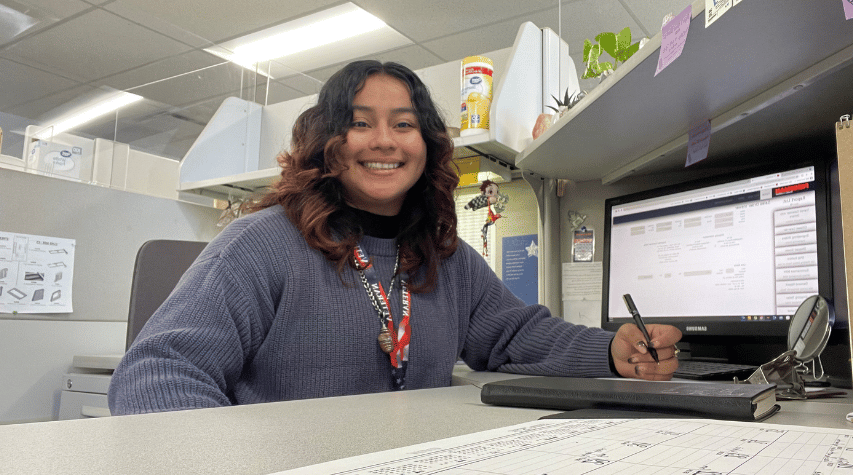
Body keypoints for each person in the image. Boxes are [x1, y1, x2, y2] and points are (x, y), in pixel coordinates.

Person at [108, 60, 681, 415]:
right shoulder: (260, 243)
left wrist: (610, 350)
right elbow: (160, 372)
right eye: (359, 123)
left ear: (426, 145)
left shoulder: (442, 256)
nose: (384, 141)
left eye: (404, 125)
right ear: (326, 144)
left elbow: (514, 334)